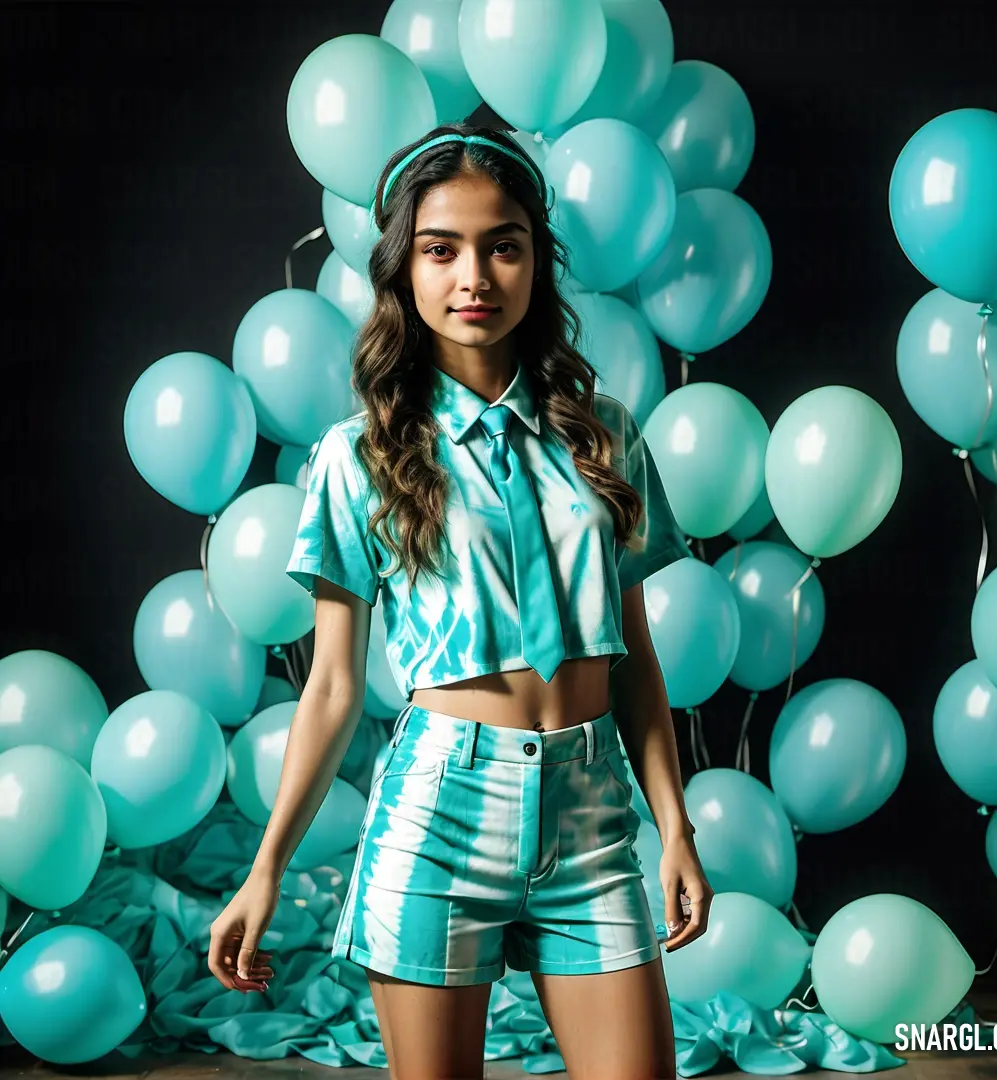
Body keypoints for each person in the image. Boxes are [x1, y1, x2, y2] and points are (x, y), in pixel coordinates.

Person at [209, 122, 713, 1079]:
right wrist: (264, 871)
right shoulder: (355, 459)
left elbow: (634, 660)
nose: (474, 276)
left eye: (503, 245)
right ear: (403, 269)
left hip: (591, 816)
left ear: (535, 262)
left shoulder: (606, 435)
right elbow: (329, 690)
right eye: (440, 250)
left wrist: (674, 828)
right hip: (442, 812)